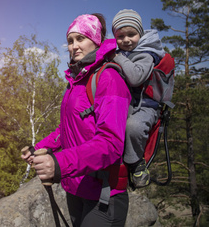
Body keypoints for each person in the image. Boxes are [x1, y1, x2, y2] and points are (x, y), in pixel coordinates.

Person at [21, 13, 132, 227]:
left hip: (104, 194)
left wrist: (59, 164)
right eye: (70, 41)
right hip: (76, 188)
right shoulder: (76, 81)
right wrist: (39, 148)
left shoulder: (109, 78)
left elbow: (111, 143)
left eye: (81, 39)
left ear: (96, 40)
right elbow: (67, 130)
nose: (74, 46)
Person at [111, 9, 166, 188]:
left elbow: (135, 78)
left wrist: (117, 58)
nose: (126, 40)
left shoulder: (146, 54)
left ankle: (135, 163)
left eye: (131, 34)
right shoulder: (124, 52)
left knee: (133, 127)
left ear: (140, 34)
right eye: (120, 36)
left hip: (145, 106)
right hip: (127, 104)